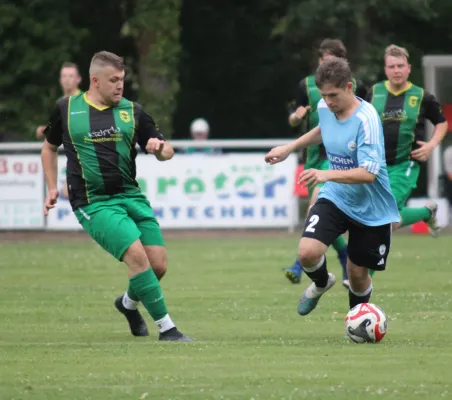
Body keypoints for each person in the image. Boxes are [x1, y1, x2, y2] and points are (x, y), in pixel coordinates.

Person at [41, 51, 191, 342]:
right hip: (93, 202)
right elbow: (48, 148)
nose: (119, 85)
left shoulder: (132, 111)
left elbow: (167, 150)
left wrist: (160, 149)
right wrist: (51, 187)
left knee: (157, 265)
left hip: (131, 196)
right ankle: (168, 329)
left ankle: (127, 304)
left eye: (122, 79)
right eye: (113, 80)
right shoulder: (67, 109)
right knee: (137, 258)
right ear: (95, 81)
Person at [265, 57, 399, 318]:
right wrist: (289, 148)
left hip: (372, 206)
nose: (327, 102)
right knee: (307, 253)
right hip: (337, 196)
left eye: (333, 95)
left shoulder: (366, 119)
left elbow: (369, 173)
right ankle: (321, 282)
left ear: (349, 87)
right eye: (324, 96)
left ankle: (356, 322)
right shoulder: (325, 107)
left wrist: (326, 174)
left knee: (357, 275)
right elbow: (321, 129)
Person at [284, 39, 367, 289]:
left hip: (340, 156)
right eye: (322, 61)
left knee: (315, 209)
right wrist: (295, 118)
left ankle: (304, 265)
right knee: (319, 212)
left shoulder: (356, 87)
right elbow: (294, 120)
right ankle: (340, 259)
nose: (324, 66)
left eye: (330, 61)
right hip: (313, 155)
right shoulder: (307, 85)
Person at [367, 45, 448, 275]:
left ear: (408, 68)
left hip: (406, 164)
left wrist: (431, 146)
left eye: (400, 66)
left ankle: (366, 280)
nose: (396, 70)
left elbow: (442, 123)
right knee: (384, 221)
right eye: (392, 66)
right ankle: (426, 213)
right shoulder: (374, 93)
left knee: (382, 218)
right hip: (376, 167)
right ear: (385, 69)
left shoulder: (422, 96)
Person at [36, 62, 82, 139]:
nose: (67, 80)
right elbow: (57, 126)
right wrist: (45, 130)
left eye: (71, 76)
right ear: (60, 80)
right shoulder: (59, 102)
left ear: (78, 79)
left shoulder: (85, 99)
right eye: (64, 76)